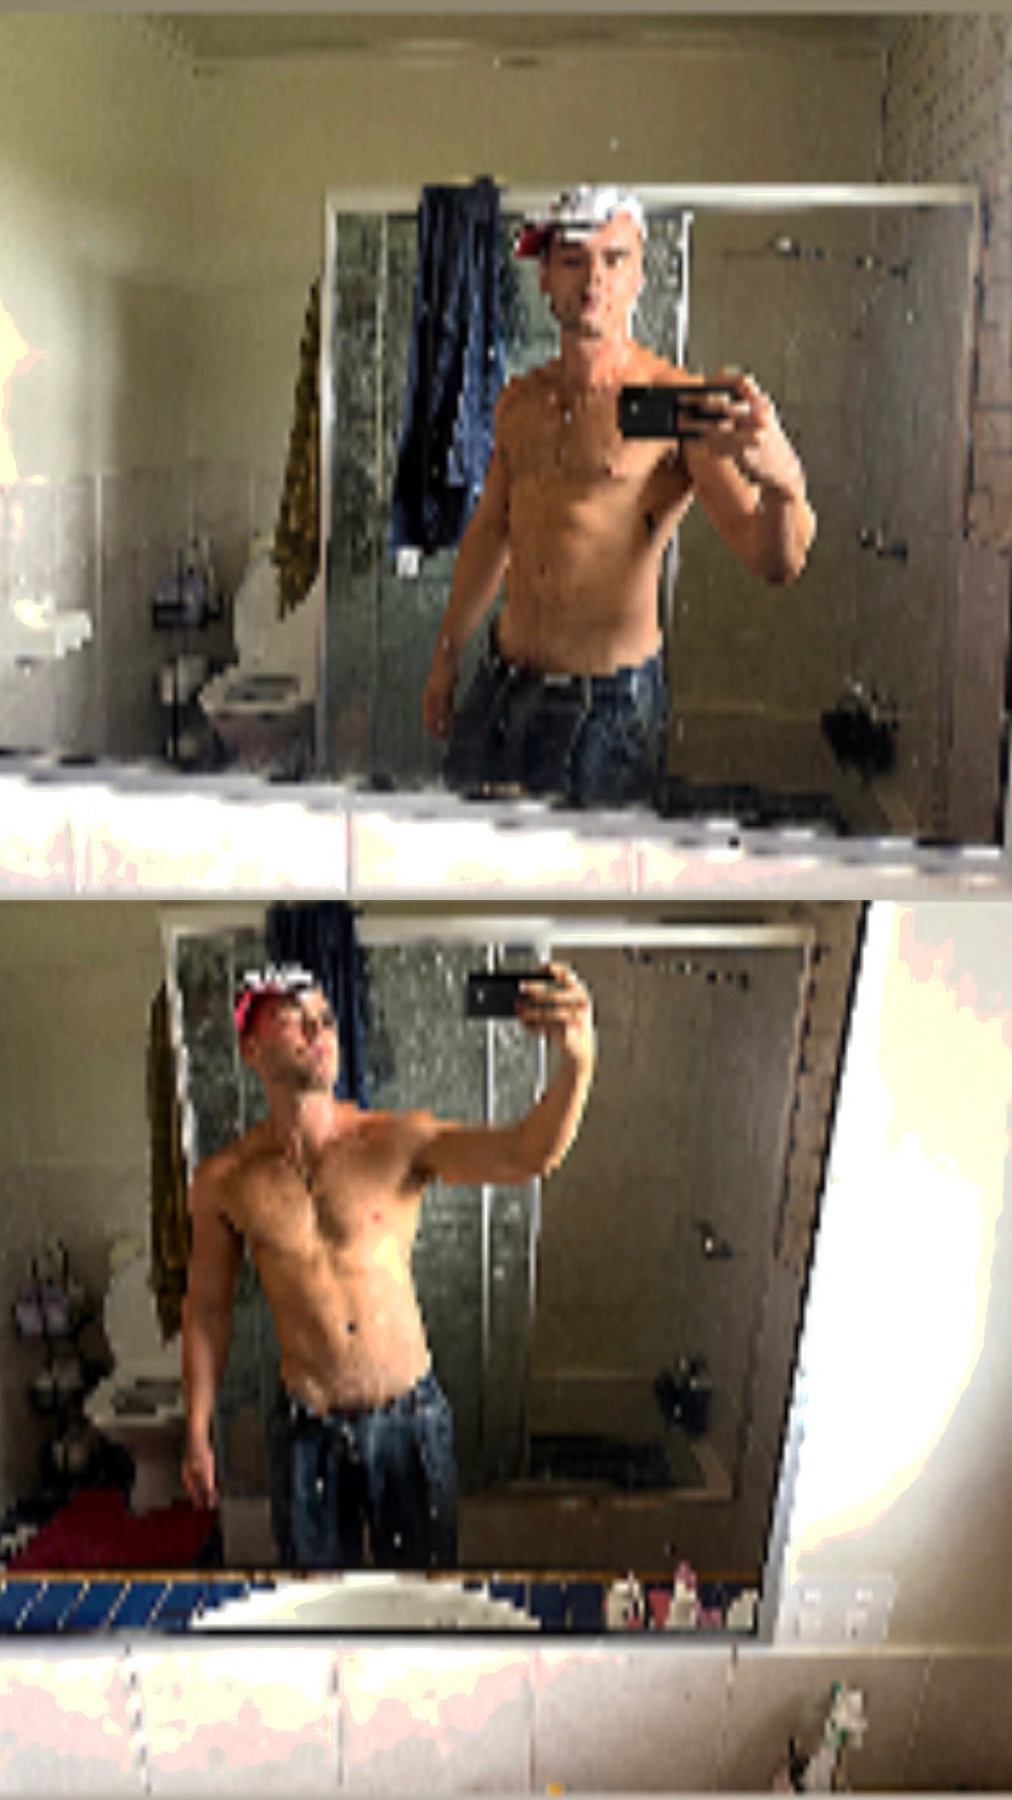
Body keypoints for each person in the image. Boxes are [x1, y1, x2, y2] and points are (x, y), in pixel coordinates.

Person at [181, 961, 595, 1570]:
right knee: (319, 1608)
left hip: (409, 1421)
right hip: (306, 1432)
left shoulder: (396, 1142)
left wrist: (578, 1061)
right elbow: (208, 1309)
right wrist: (197, 1430)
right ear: (251, 1047)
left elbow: (527, 1154)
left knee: (424, 1607)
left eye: (325, 1018)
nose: (318, 1031)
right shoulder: (226, 1181)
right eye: (294, 1019)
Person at [422, 184, 817, 809]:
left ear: (639, 278)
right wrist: (448, 654)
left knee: (588, 875)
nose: (594, 280)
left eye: (615, 259)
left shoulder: (669, 402)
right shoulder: (520, 401)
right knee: (466, 855)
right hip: (500, 686)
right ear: (545, 276)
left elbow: (774, 561)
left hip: (602, 711)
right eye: (573, 259)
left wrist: (784, 485)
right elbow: (490, 534)